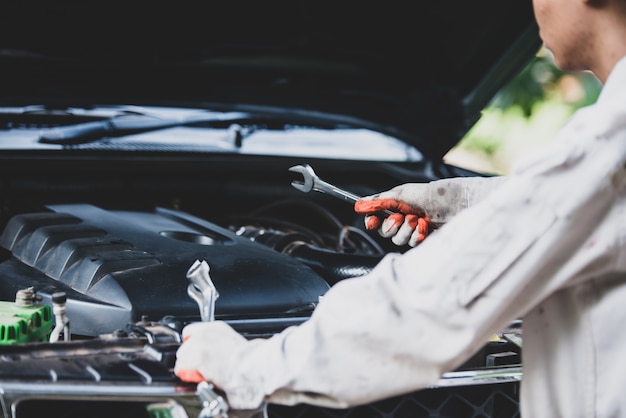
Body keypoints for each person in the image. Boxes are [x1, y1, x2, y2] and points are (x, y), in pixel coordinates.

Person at [175, 0, 626, 415]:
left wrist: (245, 367)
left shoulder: (610, 145)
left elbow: (433, 302)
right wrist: (455, 201)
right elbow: (565, 205)